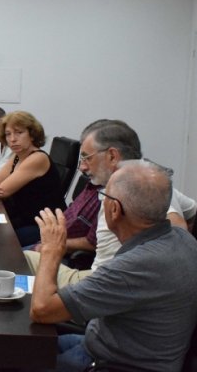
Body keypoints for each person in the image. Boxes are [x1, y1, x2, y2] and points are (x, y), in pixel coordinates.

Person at [30, 160, 197, 371]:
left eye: (104, 196)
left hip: (112, 363)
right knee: (15, 350)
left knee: (5, 360)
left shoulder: (136, 266)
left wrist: (51, 251)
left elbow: (42, 310)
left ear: (114, 209)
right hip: (101, 345)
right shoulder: (183, 238)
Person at [25, 119, 195, 287]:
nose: (82, 168)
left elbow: (178, 231)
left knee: (23, 261)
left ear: (112, 156)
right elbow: (192, 210)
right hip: (106, 277)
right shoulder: (142, 176)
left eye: (86, 158)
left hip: (105, 282)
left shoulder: (141, 186)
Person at [0, 111, 66, 246]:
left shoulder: (37, 158)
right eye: (8, 134)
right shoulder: (17, 155)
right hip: (23, 219)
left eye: (19, 133)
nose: (12, 139)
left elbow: (1, 191)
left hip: (43, 225)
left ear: (32, 134)